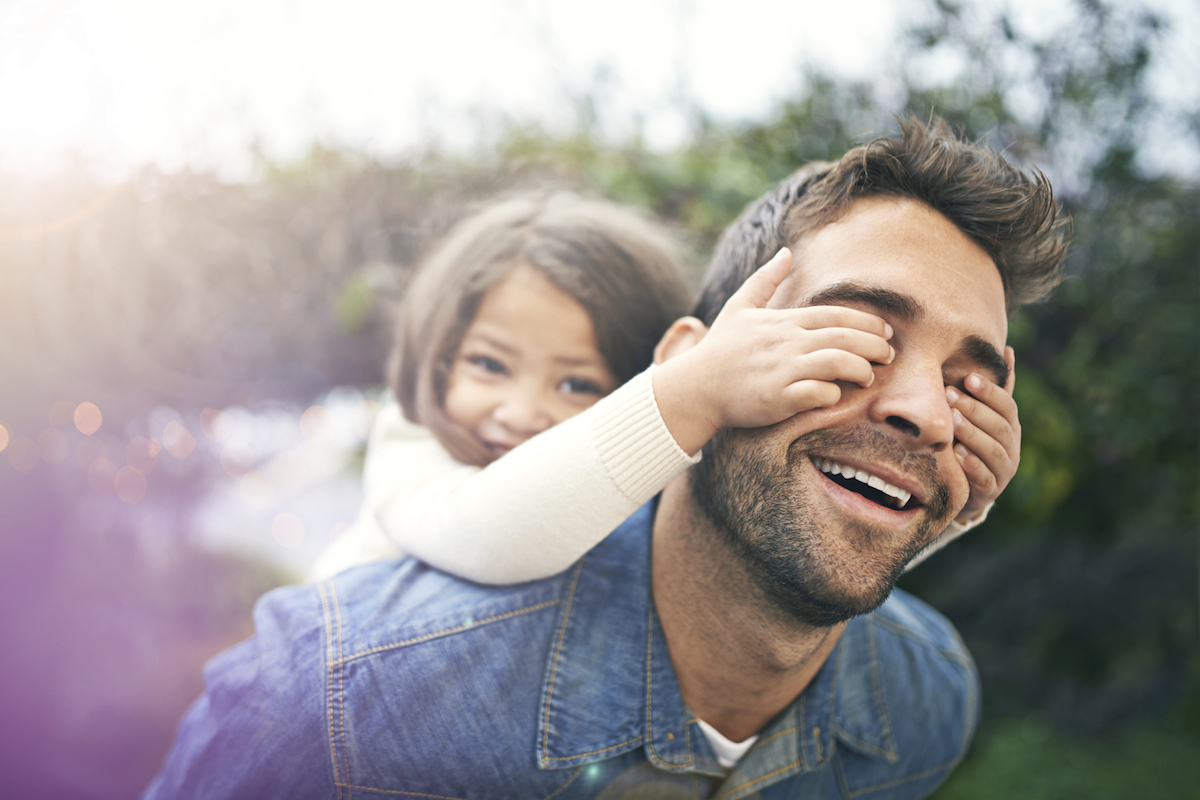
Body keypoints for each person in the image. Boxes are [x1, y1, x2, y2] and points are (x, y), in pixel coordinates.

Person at [145, 117, 1068, 798]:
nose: (924, 412)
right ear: (685, 364)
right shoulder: (341, 703)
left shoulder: (928, 706)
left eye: (968, 382)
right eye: (854, 338)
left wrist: (950, 505)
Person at [310, 190, 992, 586]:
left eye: (577, 382)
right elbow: (488, 539)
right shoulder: (414, 448)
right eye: (488, 365)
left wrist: (949, 508)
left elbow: (788, 558)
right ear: (435, 359)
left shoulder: (618, 472)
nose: (520, 411)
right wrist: (691, 394)